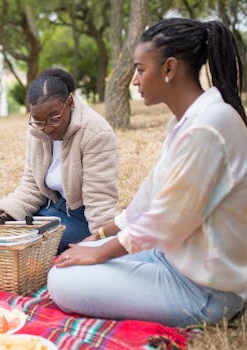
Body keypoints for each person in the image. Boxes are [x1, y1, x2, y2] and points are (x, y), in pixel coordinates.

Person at [48, 18, 247, 327]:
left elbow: (166, 220)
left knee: (61, 282)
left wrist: (100, 254)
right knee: (69, 263)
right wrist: (98, 237)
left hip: (206, 290)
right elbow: (149, 196)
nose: (135, 80)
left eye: (141, 69)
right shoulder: (191, 120)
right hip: (171, 258)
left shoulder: (207, 127)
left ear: (169, 69)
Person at [0, 68, 119, 254]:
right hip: (50, 207)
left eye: (55, 119)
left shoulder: (95, 133)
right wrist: (7, 215)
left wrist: (100, 245)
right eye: (38, 121)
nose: (47, 129)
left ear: (69, 103)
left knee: (28, 244)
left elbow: (99, 200)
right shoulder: (37, 131)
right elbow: (32, 185)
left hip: (81, 217)